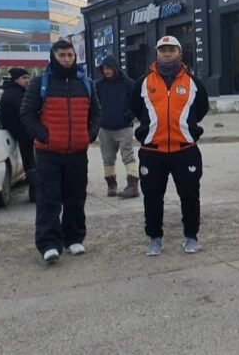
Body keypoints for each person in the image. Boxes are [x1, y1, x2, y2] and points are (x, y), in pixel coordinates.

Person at [20, 40, 101, 263]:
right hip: (48, 154)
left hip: (77, 152)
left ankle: (74, 238)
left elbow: (96, 113)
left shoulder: (86, 83)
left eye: (70, 55)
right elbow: (26, 114)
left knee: (76, 198)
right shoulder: (39, 83)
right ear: (53, 56)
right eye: (62, 55)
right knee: (48, 200)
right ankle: (48, 244)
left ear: (75, 56)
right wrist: (45, 136)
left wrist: (90, 134)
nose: (66, 59)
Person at [130, 35, 210, 256]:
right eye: (163, 50)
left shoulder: (193, 83)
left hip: (185, 151)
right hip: (152, 152)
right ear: (156, 53)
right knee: (152, 197)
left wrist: (185, 128)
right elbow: (136, 108)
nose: (167, 53)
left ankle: (191, 237)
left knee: (190, 196)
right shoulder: (143, 83)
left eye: (171, 49)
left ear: (179, 53)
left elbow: (201, 109)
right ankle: (154, 238)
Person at [96, 55, 139, 199]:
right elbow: (93, 104)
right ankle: (111, 185)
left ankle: (133, 186)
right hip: (105, 128)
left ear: (115, 68)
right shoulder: (99, 85)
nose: (107, 71)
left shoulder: (128, 83)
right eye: (104, 69)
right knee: (107, 158)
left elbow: (137, 101)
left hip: (124, 127)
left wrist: (129, 115)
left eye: (109, 68)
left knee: (128, 155)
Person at [0, 67, 36, 203]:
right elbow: (25, 115)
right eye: (24, 78)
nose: (27, 81)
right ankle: (35, 195)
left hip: (21, 134)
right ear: (16, 80)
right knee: (31, 165)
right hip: (22, 135)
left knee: (30, 164)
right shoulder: (15, 95)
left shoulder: (13, 92)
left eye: (28, 78)